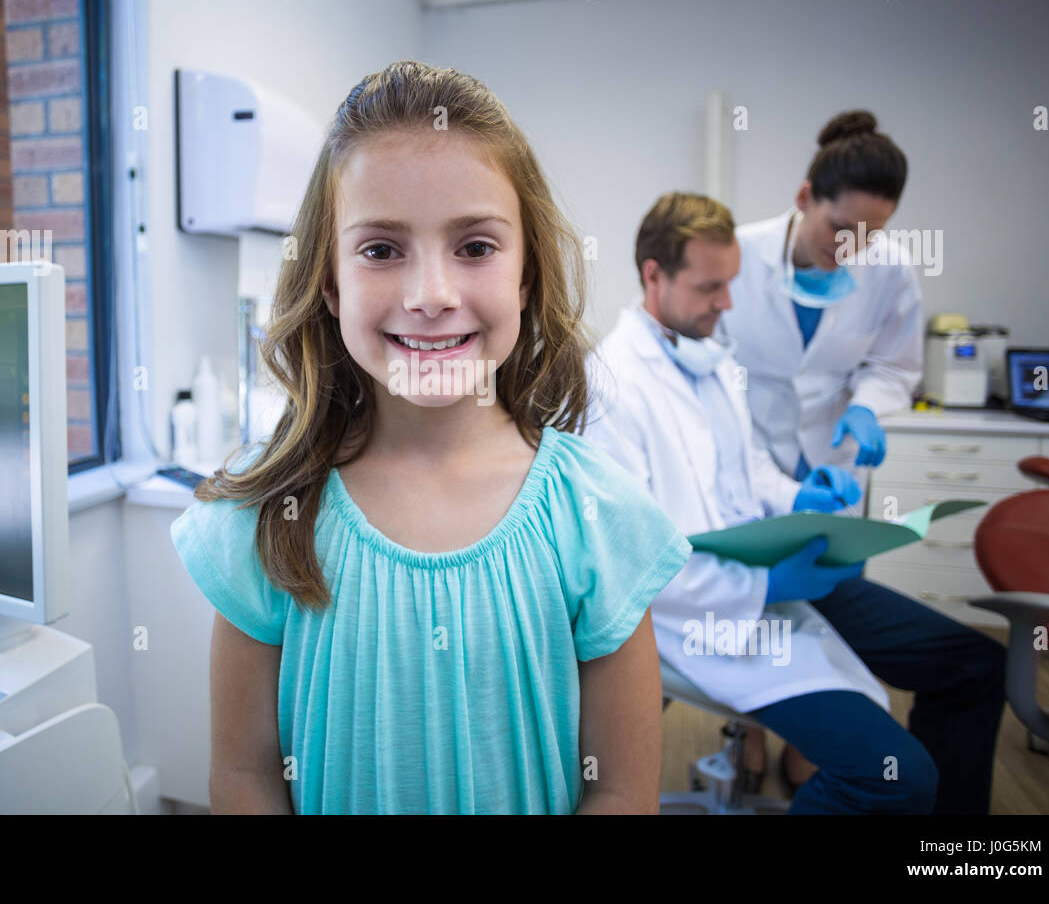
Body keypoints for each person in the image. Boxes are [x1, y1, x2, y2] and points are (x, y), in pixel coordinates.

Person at [170, 61, 691, 814]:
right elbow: (247, 776)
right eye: (381, 250)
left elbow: (618, 790)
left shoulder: (598, 519)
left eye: (475, 247)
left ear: (525, 277)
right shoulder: (271, 511)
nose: (430, 297)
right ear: (331, 284)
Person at [584, 192, 1005, 814]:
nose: (726, 304)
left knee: (975, 665)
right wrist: (763, 581)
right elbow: (634, 565)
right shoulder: (611, 385)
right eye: (710, 287)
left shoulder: (711, 359)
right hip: (701, 617)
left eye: (731, 284)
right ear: (654, 275)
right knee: (893, 777)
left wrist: (798, 495)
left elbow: (745, 468)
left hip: (770, 583)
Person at [720, 110, 924, 789]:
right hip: (750, 452)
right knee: (750, 606)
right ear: (806, 198)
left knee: (830, 611)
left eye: (871, 235)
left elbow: (896, 365)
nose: (853, 249)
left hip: (834, 467)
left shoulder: (889, 269)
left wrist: (867, 407)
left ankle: (812, 746)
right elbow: (705, 361)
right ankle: (748, 734)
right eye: (841, 229)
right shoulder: (737, 253)